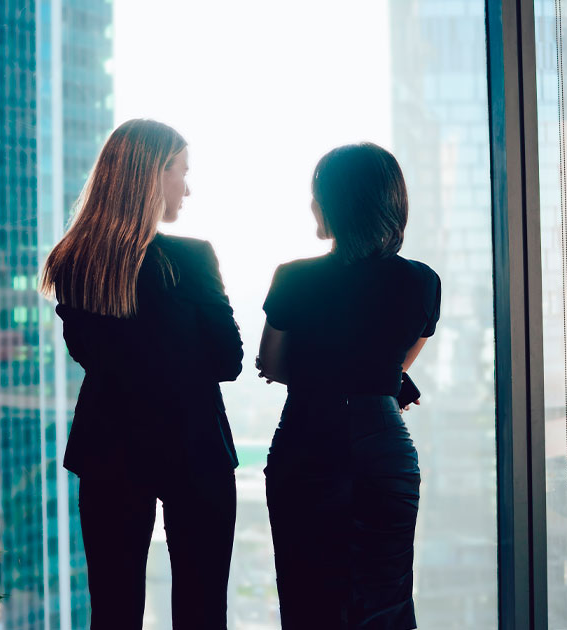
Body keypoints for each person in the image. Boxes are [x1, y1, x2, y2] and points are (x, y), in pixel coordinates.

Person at [39, 118, 242, 629]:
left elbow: (91, 355)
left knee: (113, 610)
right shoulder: (191, 257)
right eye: (182, 172)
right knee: (201, 610)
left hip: (108, 449)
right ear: (153, 175)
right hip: (194, 446)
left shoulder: (73, 262)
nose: (187, 187)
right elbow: (229, 361)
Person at [257, 142, 440, 630]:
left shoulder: (294, 277)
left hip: (307, 437)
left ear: (336, 203)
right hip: (384, 445)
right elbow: (394, 366)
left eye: (318, 196)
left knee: (307, 599)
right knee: (388, 600)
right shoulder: (422, 282)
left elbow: (271, 363)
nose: (312, 206)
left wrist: (323, 368)